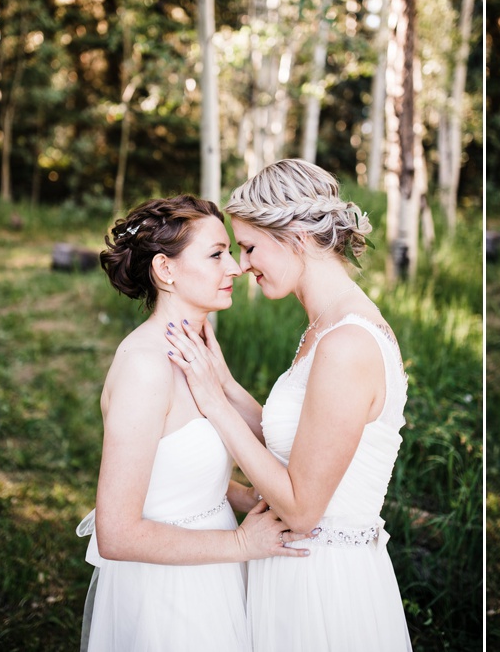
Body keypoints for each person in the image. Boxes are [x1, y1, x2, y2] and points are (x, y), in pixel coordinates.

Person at [164, 159, 412, 651]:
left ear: (296, 235)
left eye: (251, 247)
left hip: (323, 590)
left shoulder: (348, 343)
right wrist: (226, 383)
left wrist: (215, 405)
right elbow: (298, 440)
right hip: (293, 571)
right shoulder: (325, 326)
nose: (244, 264)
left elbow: (301, 508)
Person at [78, 194, 309, 652]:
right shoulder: (145, 367)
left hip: (215, 572)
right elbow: (117, 534)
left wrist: (249, 497)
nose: (236, 268)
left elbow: (173, 466)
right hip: (171, 597)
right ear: (165, 270)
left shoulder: (194, 352)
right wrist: (242, 545)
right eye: (216, 254)